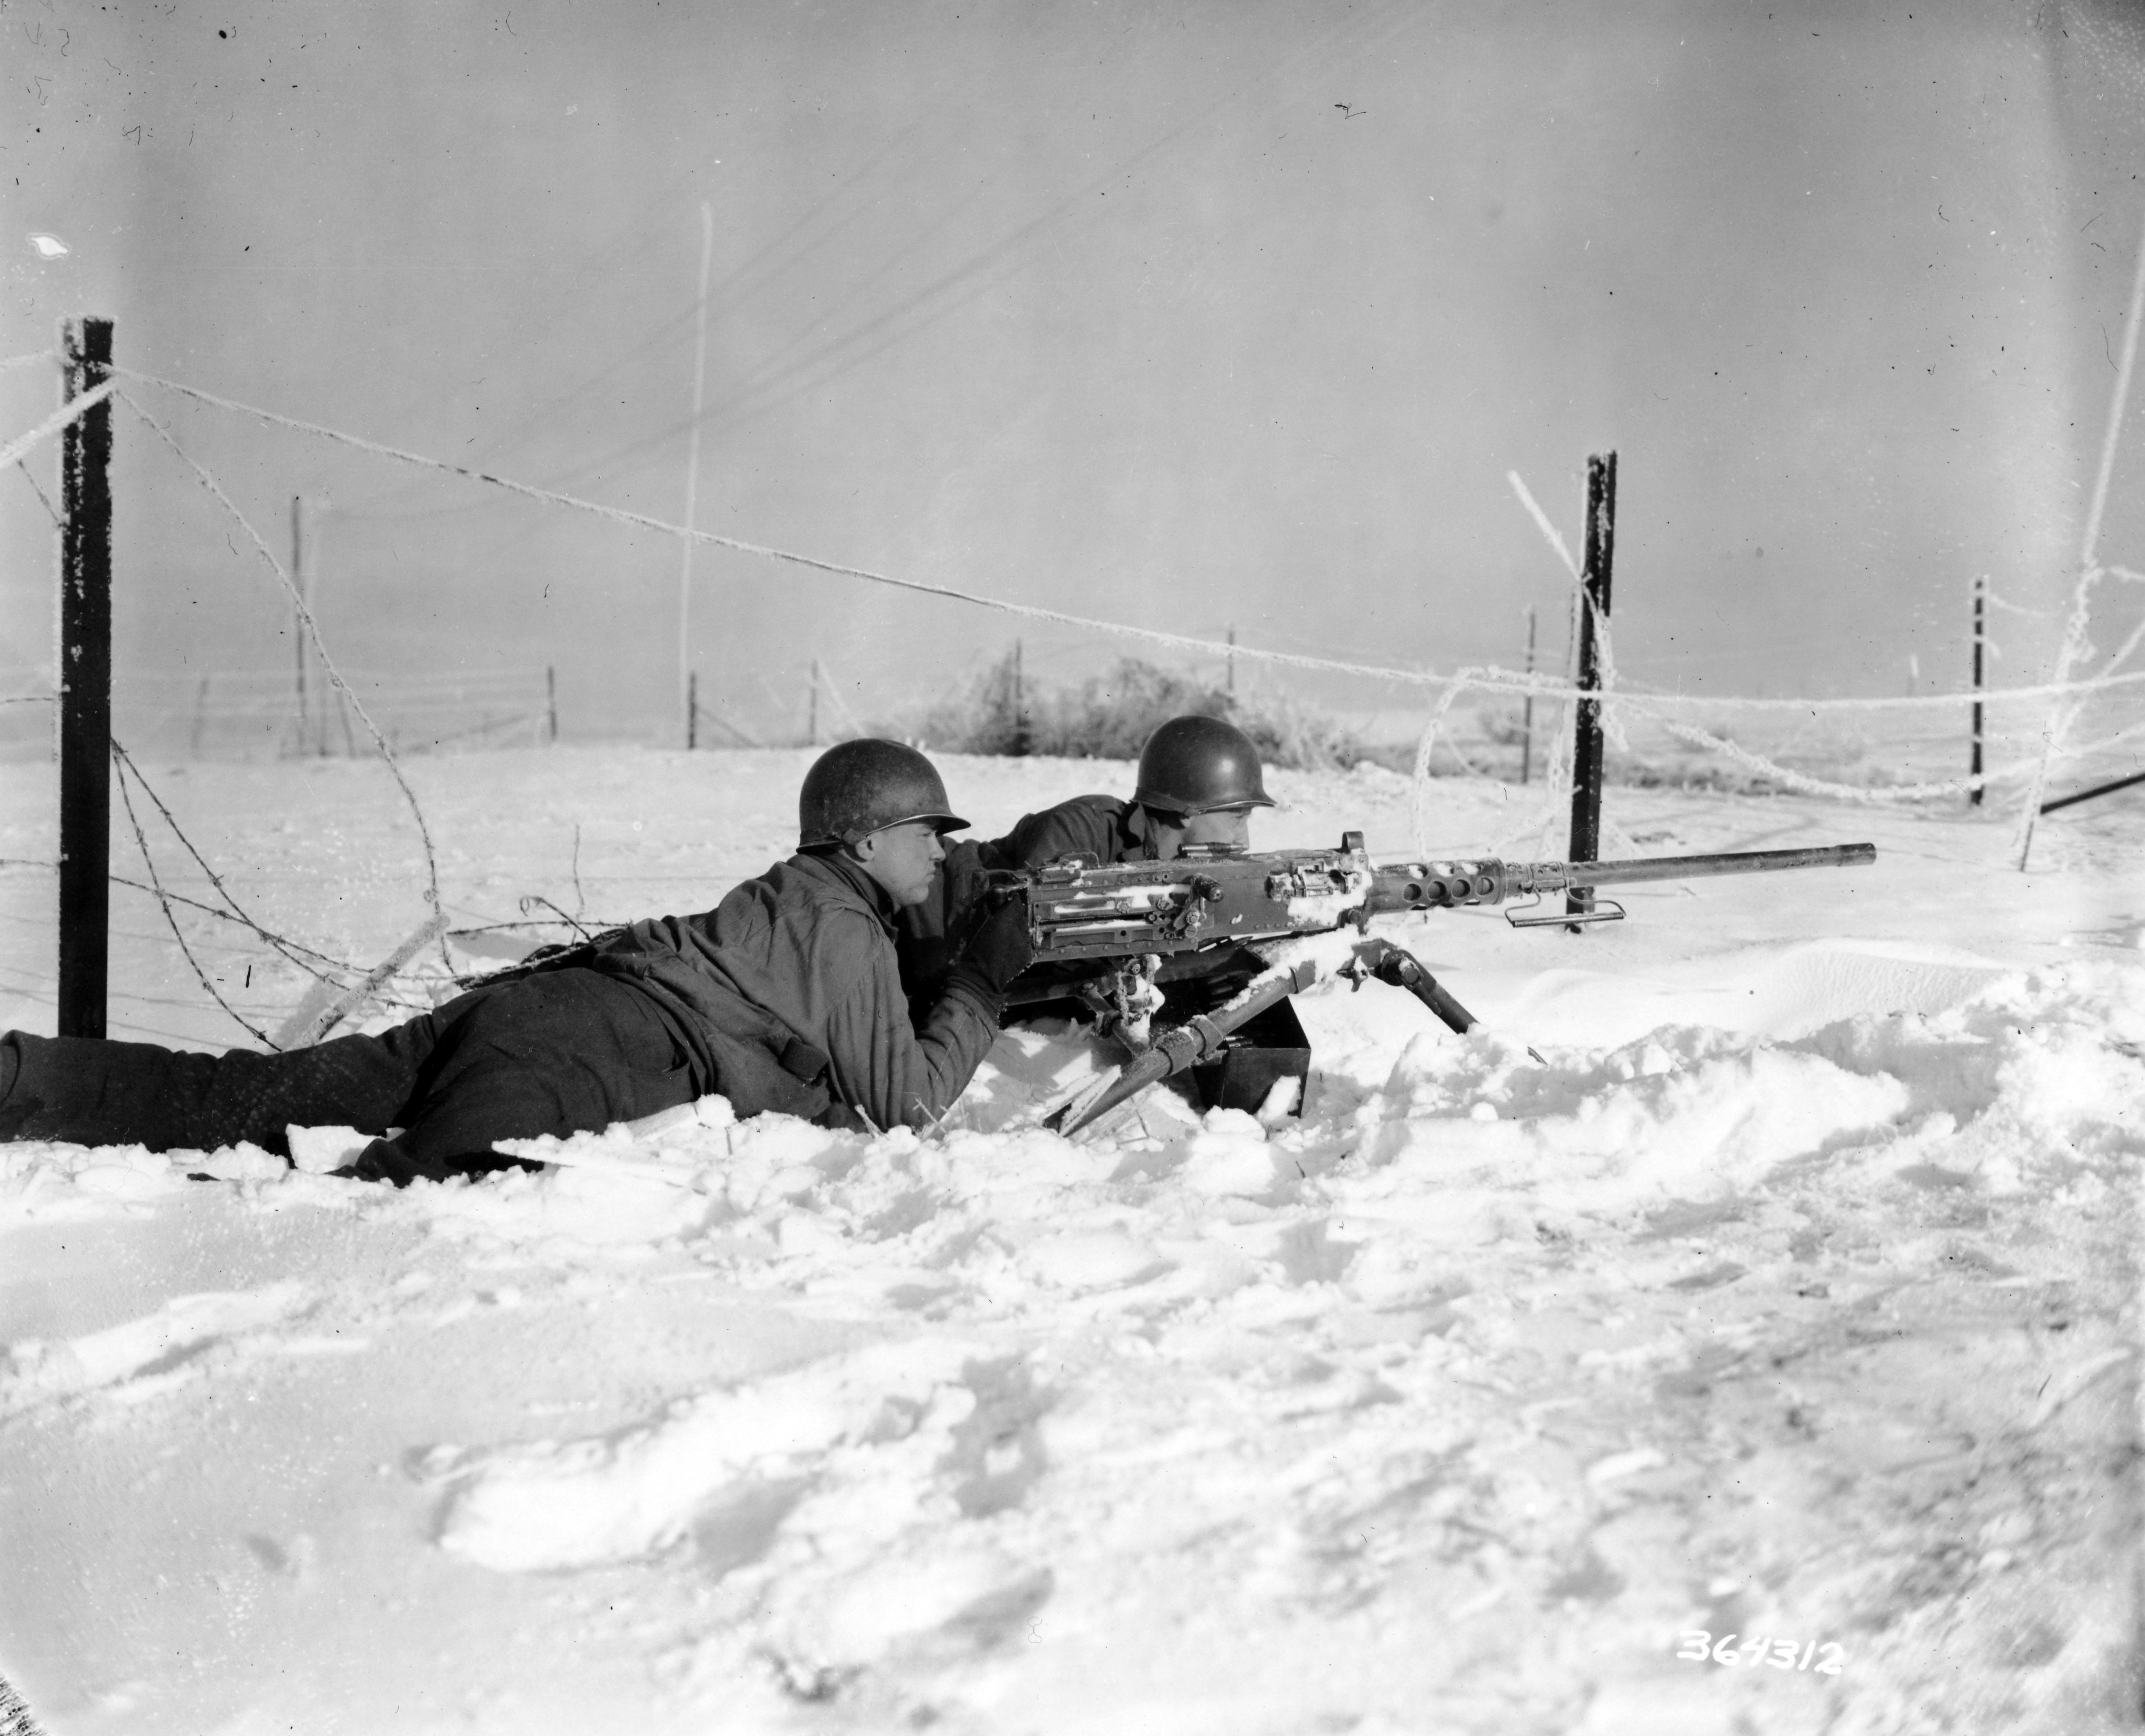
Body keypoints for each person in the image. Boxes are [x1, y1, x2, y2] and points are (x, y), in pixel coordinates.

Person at [0, 741, 1033, 1184]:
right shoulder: (845, 932)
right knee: (373, 1198)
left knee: (256, 1098)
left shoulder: (789, 894)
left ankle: (22, 1077)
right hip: (592, 1054)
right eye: (924, 833)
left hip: (550, 1009)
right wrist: (982, 985)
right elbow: (905, 1105)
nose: (938, 850)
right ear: (860, 842)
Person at [896, 714, 1273, 1012]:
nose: (1244, 840)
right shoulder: (1084, 827)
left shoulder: (1180, 872)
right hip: (913, 922)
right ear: (1191, 811)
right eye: (1237, 818)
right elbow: (1027, 927)